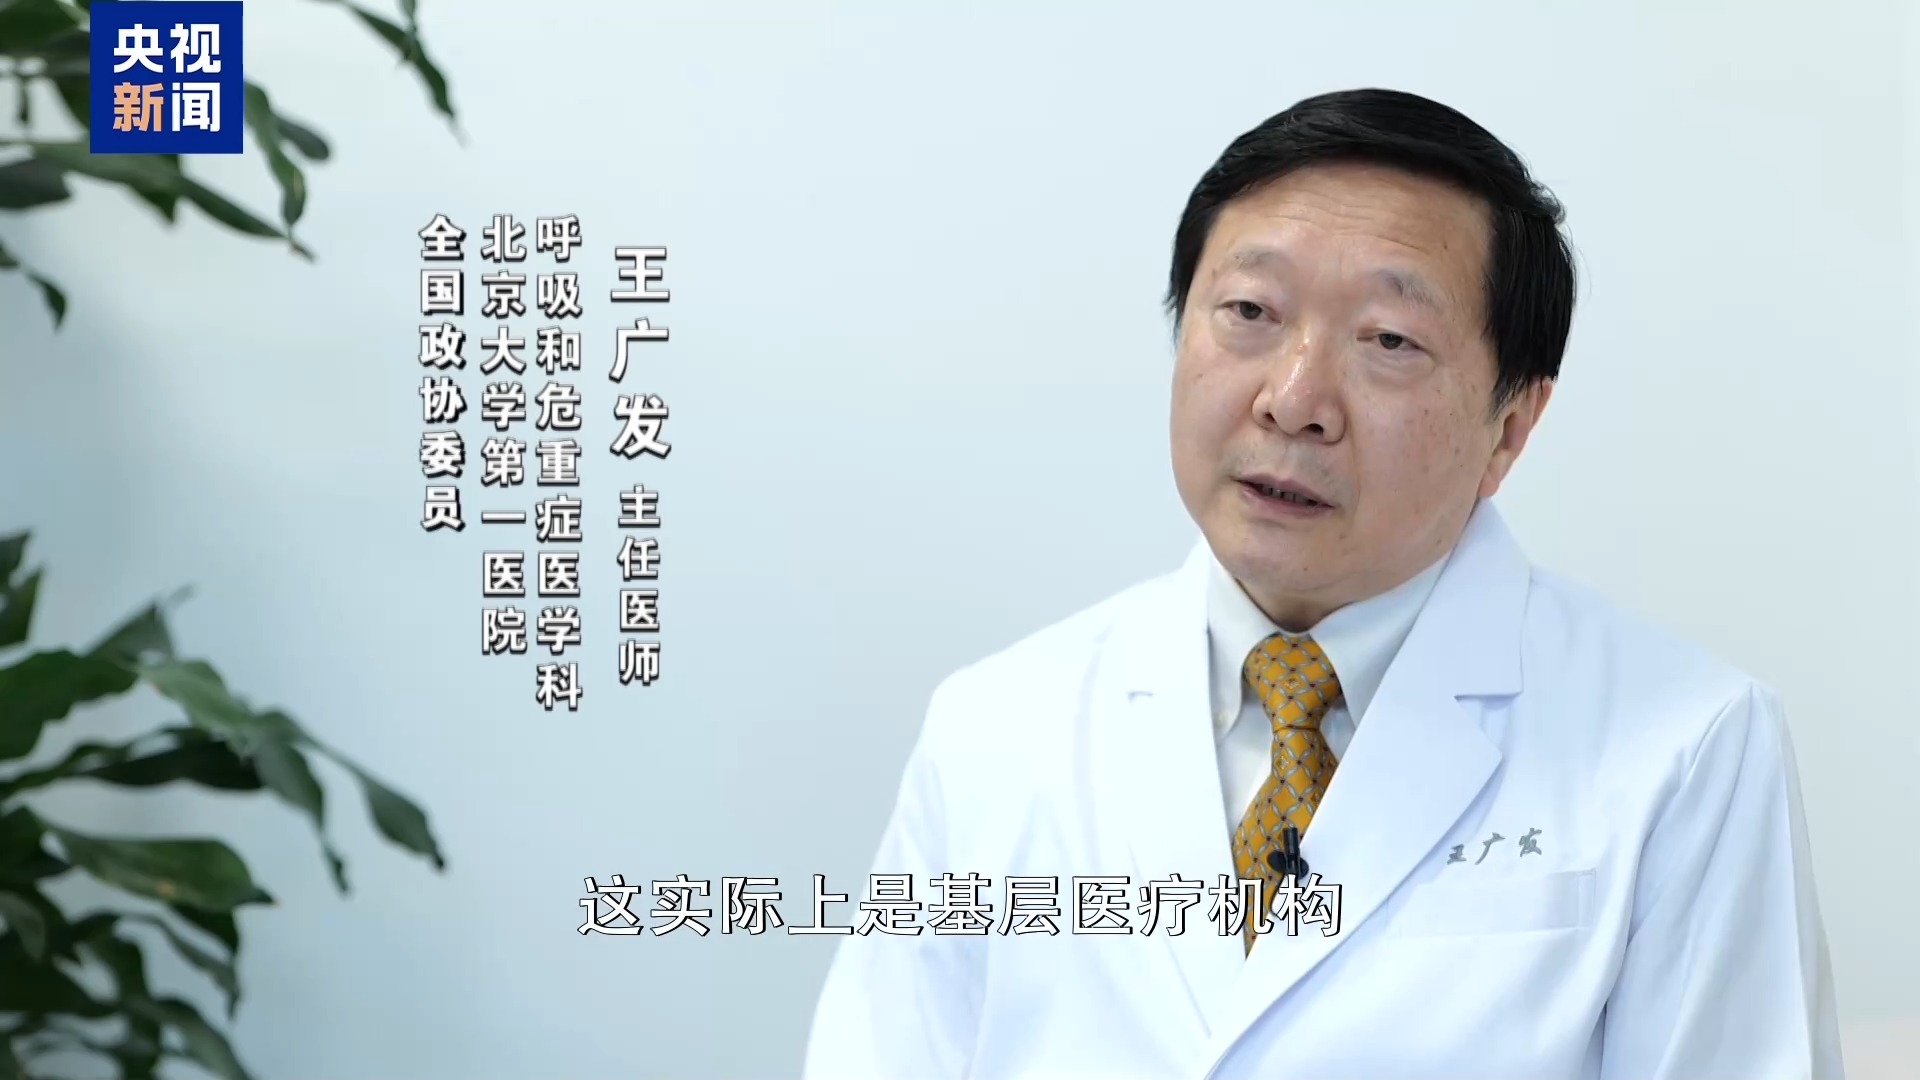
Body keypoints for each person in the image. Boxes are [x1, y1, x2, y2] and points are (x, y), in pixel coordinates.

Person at [802, 87, 1844, 1079]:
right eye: (1250, 310)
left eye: (1389, 340)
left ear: (1511, 427)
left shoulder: (1690, 746)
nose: (1295, 399)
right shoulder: (993, 725)